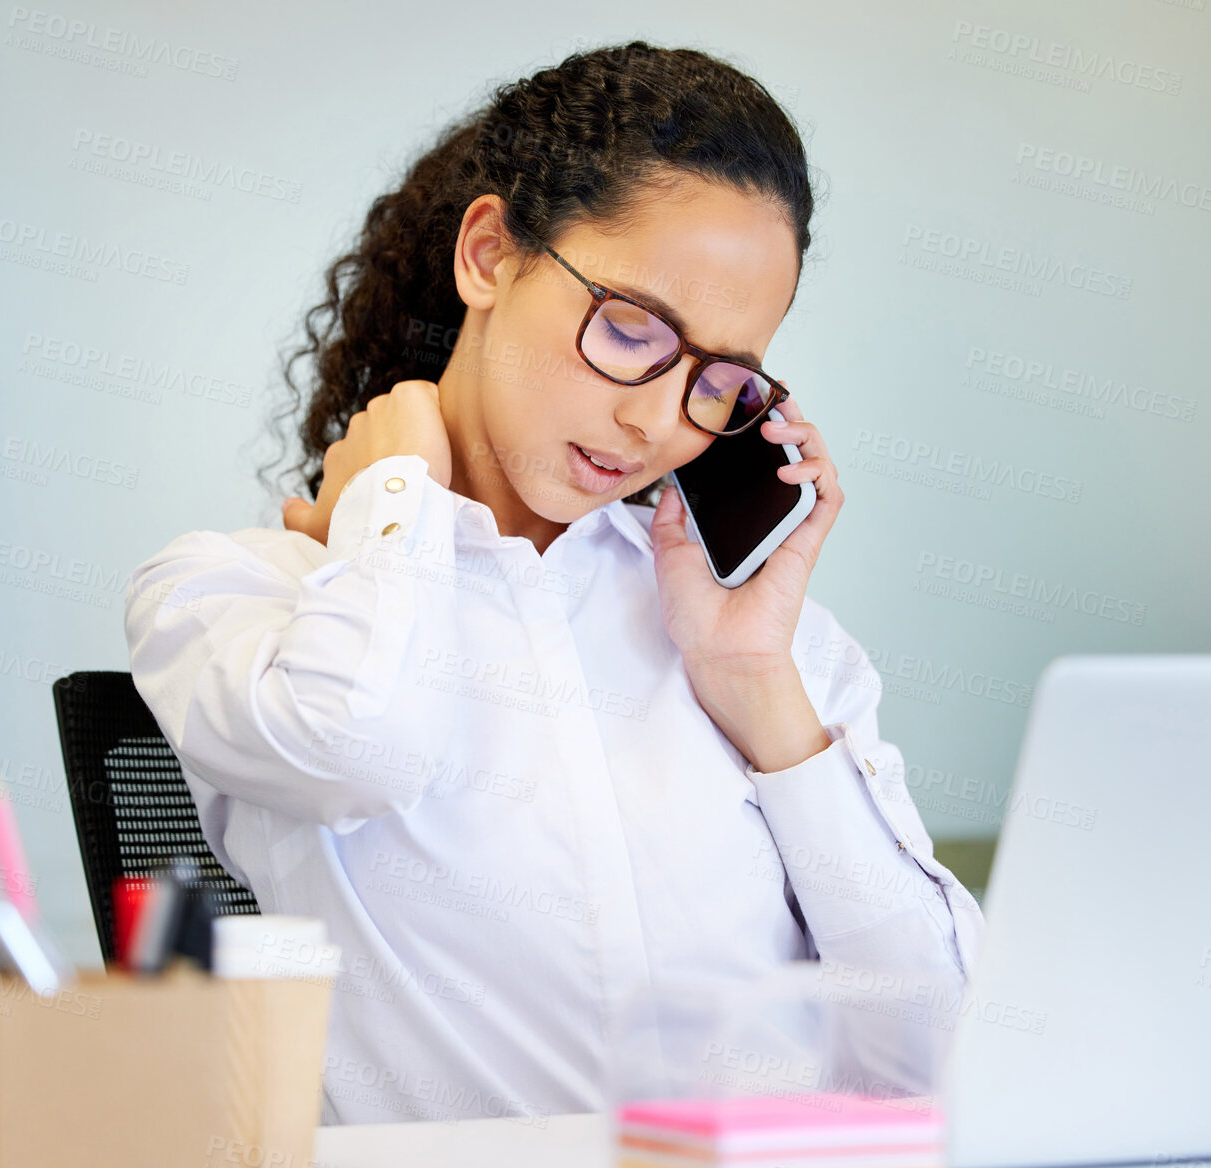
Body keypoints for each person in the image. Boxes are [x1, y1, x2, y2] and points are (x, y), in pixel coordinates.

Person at [124, 40, 983, 1125]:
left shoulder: (757, 644)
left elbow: (938, 1050)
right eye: (628, 330)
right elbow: (356, 749)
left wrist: (756, 685)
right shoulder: (237, 597)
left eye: (717, 382)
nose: (654, 420)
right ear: (487, 254)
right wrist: (394, 490)